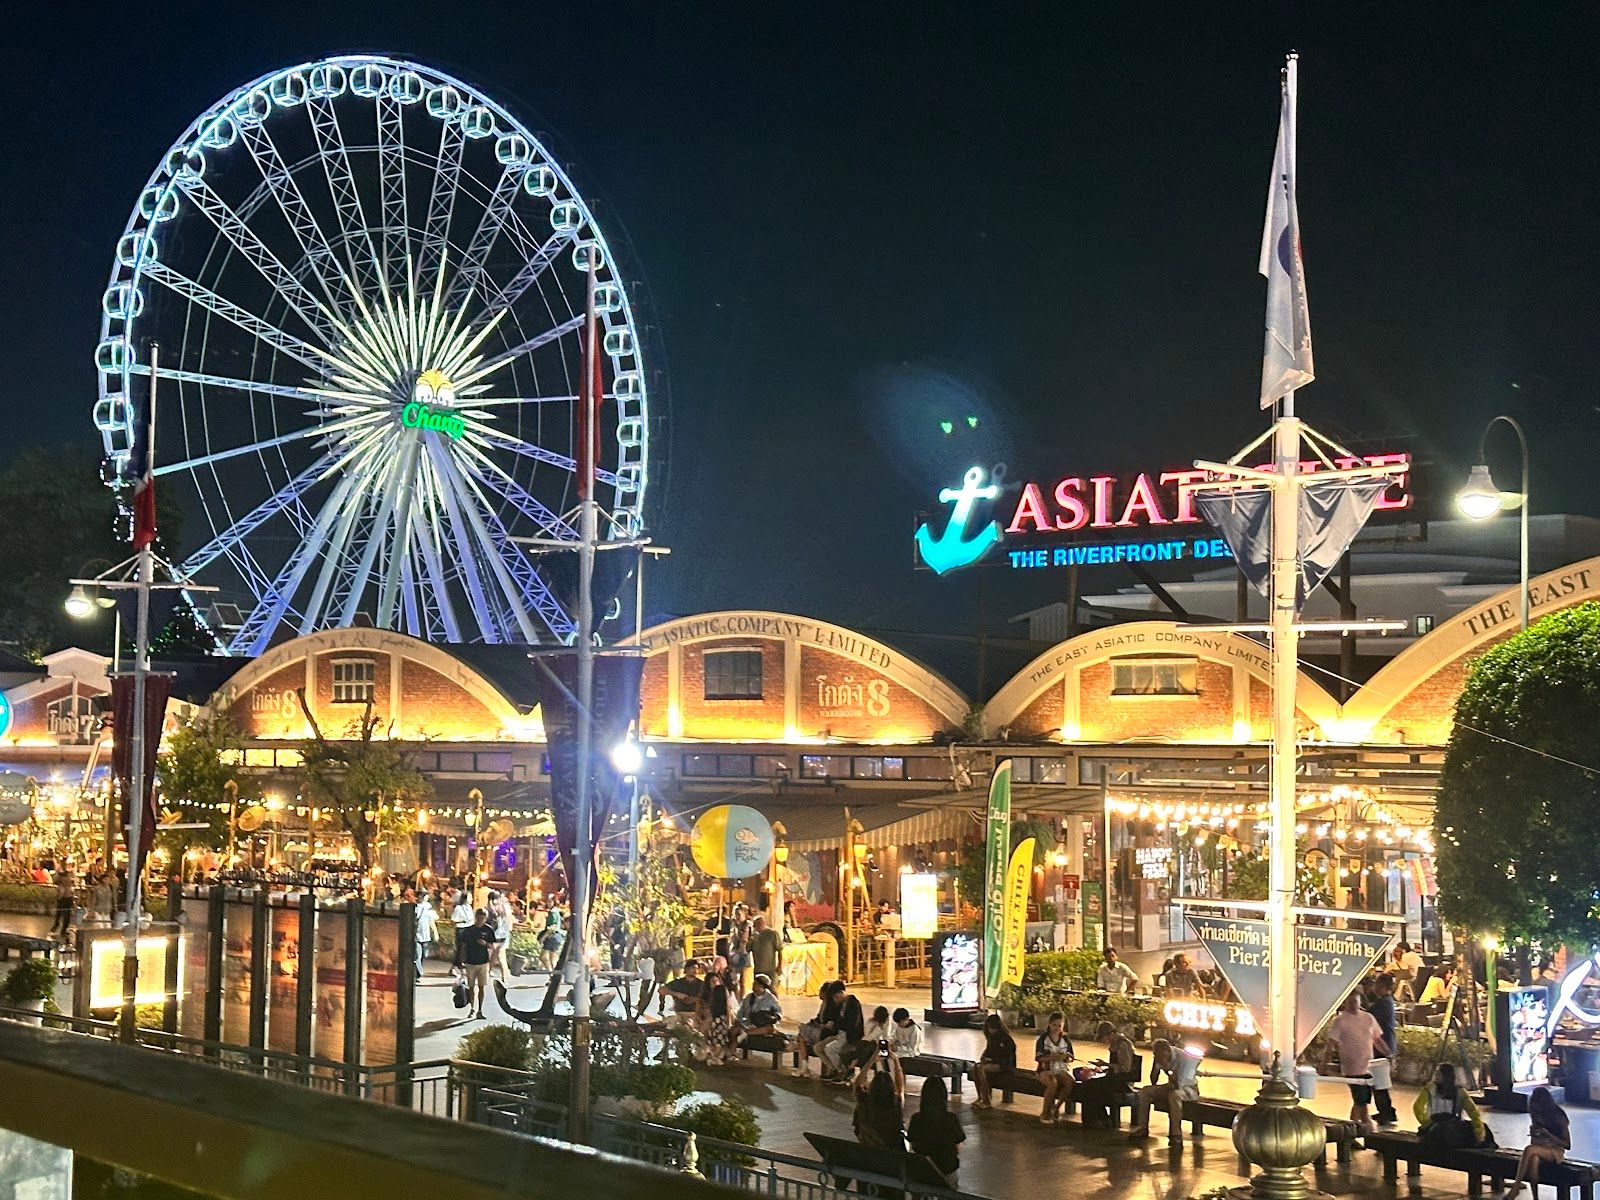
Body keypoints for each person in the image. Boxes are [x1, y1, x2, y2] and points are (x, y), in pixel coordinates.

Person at [1324, 992, 1391, 1134]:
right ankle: (1362, 1131)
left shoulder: (1368, 1018)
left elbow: (1377, 1039)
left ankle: (1355, 1131)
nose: (1353, 1005)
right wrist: (1325, 1062)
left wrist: (1388, 1053)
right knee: (1361, 1102)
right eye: (1350, 1002)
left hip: (1368, 1066)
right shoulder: (1340, 1020)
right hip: (1352, 1068)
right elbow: (1331, 1043)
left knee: (1361, 1103)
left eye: (1355, 1002)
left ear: (1360, 1002)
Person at [1129, 1039, 1201, 1144]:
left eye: (1158, 1055)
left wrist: (1167, 1068)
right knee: (1145, 1091)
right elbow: (1153, 1079)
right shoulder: (1159, 1058)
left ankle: (1176, 1133)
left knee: (1174, 1096)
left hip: (1188, 1088)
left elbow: (1178, 1084)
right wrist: (1156, 1067)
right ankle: (1143, 1127)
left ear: (1167, 1052)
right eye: (1154, 1054)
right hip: (1172, 1086)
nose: (1156, 1057)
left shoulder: (1183, 1058)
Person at [1508, 1086, 1569, 1196]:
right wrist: (1535, 1135)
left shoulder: (1558, 1116)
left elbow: (1567, 1144)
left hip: (1556, 1151)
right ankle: (1535, 1196)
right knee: (1534, 1160)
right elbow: (1534, 1143)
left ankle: (1516, 1187)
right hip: (1541, 1147)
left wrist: (1548, 1135)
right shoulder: (1537, 1114)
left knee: (1528, 1150)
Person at [908, 1076, 965, 1187]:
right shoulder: (951, 1119)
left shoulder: (916, 1119)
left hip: (923, 1173)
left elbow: (913, 1144)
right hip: (946, 1172)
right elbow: (958, 1145)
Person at [1413, 1063, 1486, 1150]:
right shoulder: (1430, 1088)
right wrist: (1426, 1123)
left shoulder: (1460, 1092)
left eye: (1439, 1074)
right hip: (1434, 1126)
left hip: (1452, 1127)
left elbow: (1474, 1113)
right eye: (1435, 1073)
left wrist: (1479, 1133)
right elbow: (1418, 1107)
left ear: (1446, 1076)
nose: (1436, 1076)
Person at [1078, 1020, 1137, 1126]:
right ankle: (1095, 1118)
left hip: (1123, 1082)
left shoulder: (1123, 1044)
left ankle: (1101, 1118)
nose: (1104, 1041)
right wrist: (1103, 1067)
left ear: (1111, 1034)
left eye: (1104, 1037)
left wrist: (1107, 1065)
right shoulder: (1115, 1044)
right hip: (1115, 1078)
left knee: (1091, 1086)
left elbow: (1125, 1068)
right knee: (1088, 1084)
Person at [1364, 973, 1400, 1126]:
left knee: (1379, 1082)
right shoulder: (1386, 1002)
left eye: (1378, 985)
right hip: (1384, 1044)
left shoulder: (1383, 1003)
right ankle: (1385, 1111)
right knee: (1379, 1082)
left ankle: (1386, 1112)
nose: (1375, 988)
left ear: (1384, 987)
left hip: (1382, 1046)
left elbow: (1367, 1015)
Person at [818, 980, 865, 1082]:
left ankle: (842, 1071)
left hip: (850, 1036)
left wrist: (835, 1025)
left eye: (835, 997)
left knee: (830, 1049)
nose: (835, 1000)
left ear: (841, 993)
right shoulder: (840, 1004)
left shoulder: (853, 1004)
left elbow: (852, 1024)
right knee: (819, 1047)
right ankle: (835, 1069)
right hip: (840, 1034)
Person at [1033, 1011, 1076, 1124]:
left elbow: (1071, 1057)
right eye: (1054, 1025)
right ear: (1049, 1024)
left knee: (1069, 1081)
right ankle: (1045, 1112)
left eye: (1059, 1026)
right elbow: (1039, 1058)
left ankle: (1056, 1107)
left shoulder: (1066, 1040)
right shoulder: (1042, 1039)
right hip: (1045, 1070)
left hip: (1061, 1069)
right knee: (1052, 1082)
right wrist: (1053, 1057)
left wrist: (1067, 1058)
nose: (1056, 1028)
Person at [794, 982, 842, 1078]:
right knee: (802, 1036)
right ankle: (804, 1067)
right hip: (821, 1030)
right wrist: (813, 1023)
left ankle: (805, 1067)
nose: (819, 993)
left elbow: (830, 1024)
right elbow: (819, 1018)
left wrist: (818, 1025)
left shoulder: (832, 1006)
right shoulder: (824, 1004)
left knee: (802, 1037)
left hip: (826, 1034)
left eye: (821, 991)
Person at [972, 1014, 1018, 1109]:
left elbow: (1008, 1057)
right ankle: (980, 1096)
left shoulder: (1006, 1039)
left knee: (981, 1068)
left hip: (1005, 1065)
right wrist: (984, 1056)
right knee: (975, 1067)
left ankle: (986, 1100)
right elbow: (989, 1050)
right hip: (994, 1063)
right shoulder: (991, 1037)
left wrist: (992, 1060)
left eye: (993, 1028)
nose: (991, 1030)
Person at [457, 909, 497, 1019]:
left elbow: (493, 946)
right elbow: (463, 946)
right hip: (470, 962)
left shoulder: (488, 930)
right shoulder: (469, 930)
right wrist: (461, 961)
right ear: (476, 917)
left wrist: (485, 944)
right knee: (471, 987)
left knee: (481, 987)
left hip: (483, 962)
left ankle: (480, 1009)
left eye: (483, 917)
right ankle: (472, 1009)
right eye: (479, 917)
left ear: (485, 918)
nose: (480, 919)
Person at [853, 1068, 905, 1151]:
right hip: (891, 1154)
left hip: (867, 1150)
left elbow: (857, 1084)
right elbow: (900, 1088)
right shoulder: (896, 1104)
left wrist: (872, 1059)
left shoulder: (865, 1101)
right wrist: (896, 1061)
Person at [733, 973, 783, 1042]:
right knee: (734, 1029)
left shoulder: (771, 999)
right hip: (748, 1025)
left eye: (755, 984)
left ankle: (746, 1033)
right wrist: (744, 1023)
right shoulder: (748, 997)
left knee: (771, 1028)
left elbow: (779, 1013)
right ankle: (731, 1051)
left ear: (761, 986)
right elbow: (740, 1014)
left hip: (762, 1027)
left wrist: (772, 1017)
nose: (753, 986)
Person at [704, 968, 736, 1065]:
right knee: (719, 1041)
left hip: (716, 1021)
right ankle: (716, 1057)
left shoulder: (717, 994)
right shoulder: (721, 991)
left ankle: (715, 1056)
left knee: (716, 1040)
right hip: (719, 1022)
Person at [750, 915, 783, 983]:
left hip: (770, 970)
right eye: (754, 926)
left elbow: (780, 950)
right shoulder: (753, 937)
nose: (755, 927)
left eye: (756, 925)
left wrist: (779, 965)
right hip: (758, 969)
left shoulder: (772, 934)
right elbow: (747, 949)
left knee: (771, 989)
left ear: (762, 924)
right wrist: (750, 938)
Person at [488, 892, 513, 979]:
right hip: (501, 933)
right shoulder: (503, 907)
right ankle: (489, 971)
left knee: (500, 955)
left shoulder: (503, 907)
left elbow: (503, 918)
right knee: (495, 954)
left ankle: (504, 976)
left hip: (501, 933)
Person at [449, 891, 475, 972]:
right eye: (470, 897)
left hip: (469, 929)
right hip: (461, 929)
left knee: (467, 948)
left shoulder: (469, 907)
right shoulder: (458, 908)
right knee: (460, 948)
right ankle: (456, 966)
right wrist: (462, 921)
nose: (472, 899)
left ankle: (461, 964)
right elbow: (453, 920)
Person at [414, 892, 438, 977]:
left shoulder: (427, 908)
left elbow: (431, 921)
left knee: (422, 955)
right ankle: (418, 973)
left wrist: (435, 933)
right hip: (417, 935)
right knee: (417, 955)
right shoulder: (415, 907)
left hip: (424, 935)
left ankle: (418, 972)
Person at [50, 864, 74, 940]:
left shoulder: (69, 876)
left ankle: (63, 928)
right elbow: (55, 881)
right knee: (59, 913)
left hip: (68, 896)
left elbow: (71, 883)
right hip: (62, 897)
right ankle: (56, 927)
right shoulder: (59, 878)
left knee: (67, 914)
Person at [540, 905, 565, 971]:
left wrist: (543, 937)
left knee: (544, 956)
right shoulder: (556, 911)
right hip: (556, 936)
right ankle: (554, 974)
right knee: (552, 958)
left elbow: (552, 926)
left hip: (552, 936)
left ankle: (552, 973)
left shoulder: (553, 912)